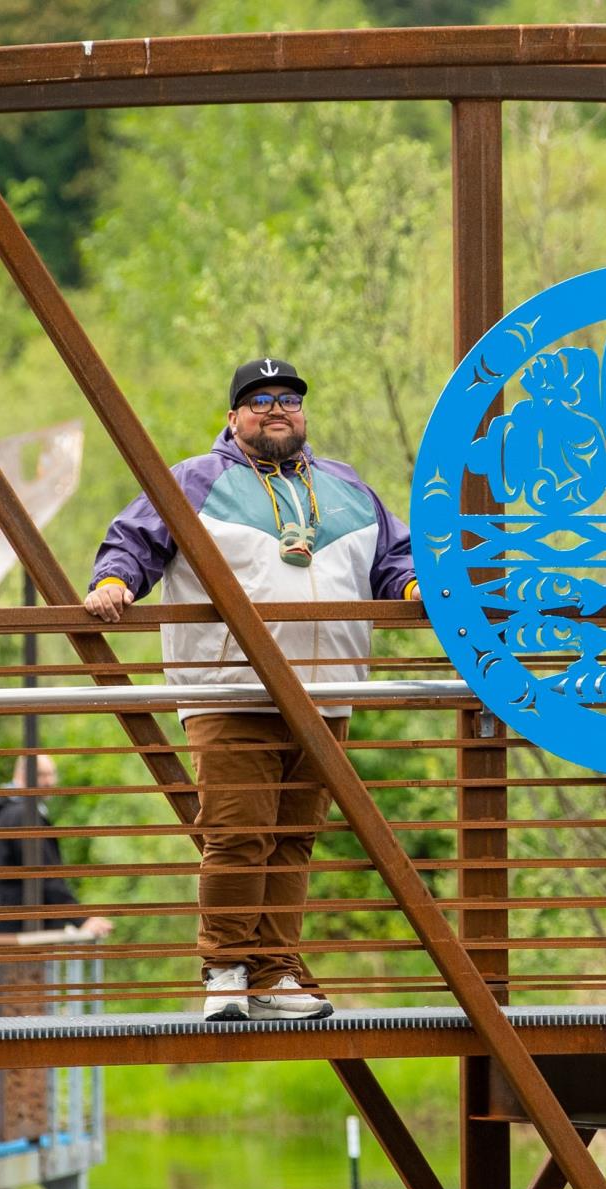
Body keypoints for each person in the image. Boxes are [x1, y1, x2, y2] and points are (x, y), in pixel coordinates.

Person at [82, 358, 418, 1022]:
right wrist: (116, 582)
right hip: (231, 690)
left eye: (289, 399)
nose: (276, 409)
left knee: (293, 839)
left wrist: (414, 589)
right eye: (259, 399)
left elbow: (394, 559)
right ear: (233, 416)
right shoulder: (193, 481)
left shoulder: (347, 487)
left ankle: (273, 975)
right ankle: (225, 971)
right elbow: (133, 541)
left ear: (303, 414)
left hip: (326, 695)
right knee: (238, 835)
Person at [0, 754, 113, 938]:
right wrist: (82, 919)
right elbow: (46, 876)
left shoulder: (7, 813)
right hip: (19, 934)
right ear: (21, 776)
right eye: (42, 775)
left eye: (52, 774)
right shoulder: (22, 817)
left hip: (5, 928)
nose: (50, 781)